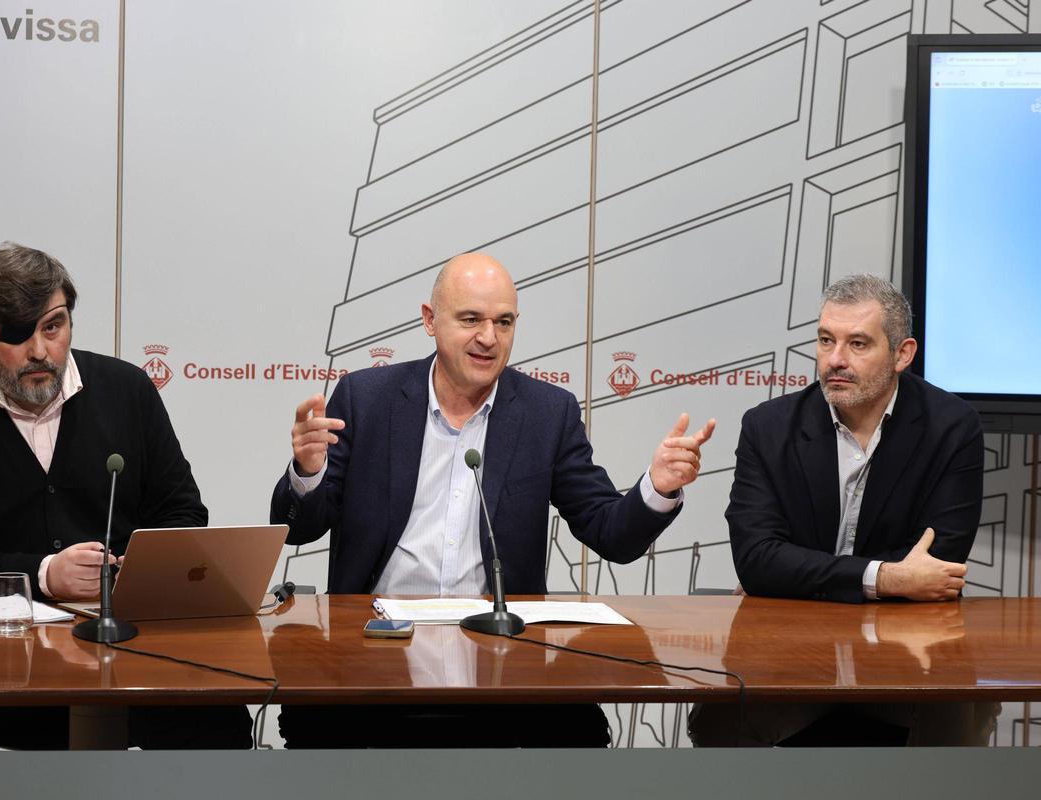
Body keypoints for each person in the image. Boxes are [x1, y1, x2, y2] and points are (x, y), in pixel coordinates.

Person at [271, 251, 714, 747]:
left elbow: (608, 531)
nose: (489, 337)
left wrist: (657, 487)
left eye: (504, 322)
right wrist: (309, 473)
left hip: (500, 656)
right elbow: (300, 528)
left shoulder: (548, 413)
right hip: (374, 651)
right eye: (471, 319)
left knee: (580, 728)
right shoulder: (365, 398)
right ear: (430, 320)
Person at [0, 243, 251, 750]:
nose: (39, 350)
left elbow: (182, 513)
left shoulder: (128, 391)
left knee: (215, 713)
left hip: (124, 647)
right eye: (15, 332)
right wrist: (44, 573)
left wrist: (129, 572)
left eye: (53, 327)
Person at [688, 273, 997, 746]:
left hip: (905, 648)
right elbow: (757, 560)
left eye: (857, 344)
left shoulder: (951, 428)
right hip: (792, 644)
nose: (835, 360)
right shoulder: (768, 428)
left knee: (956, 711)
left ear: (902, 354)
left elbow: (937, 565)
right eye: (826, 340)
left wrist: (806, 572)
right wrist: (885, 578)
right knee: (720, 713)